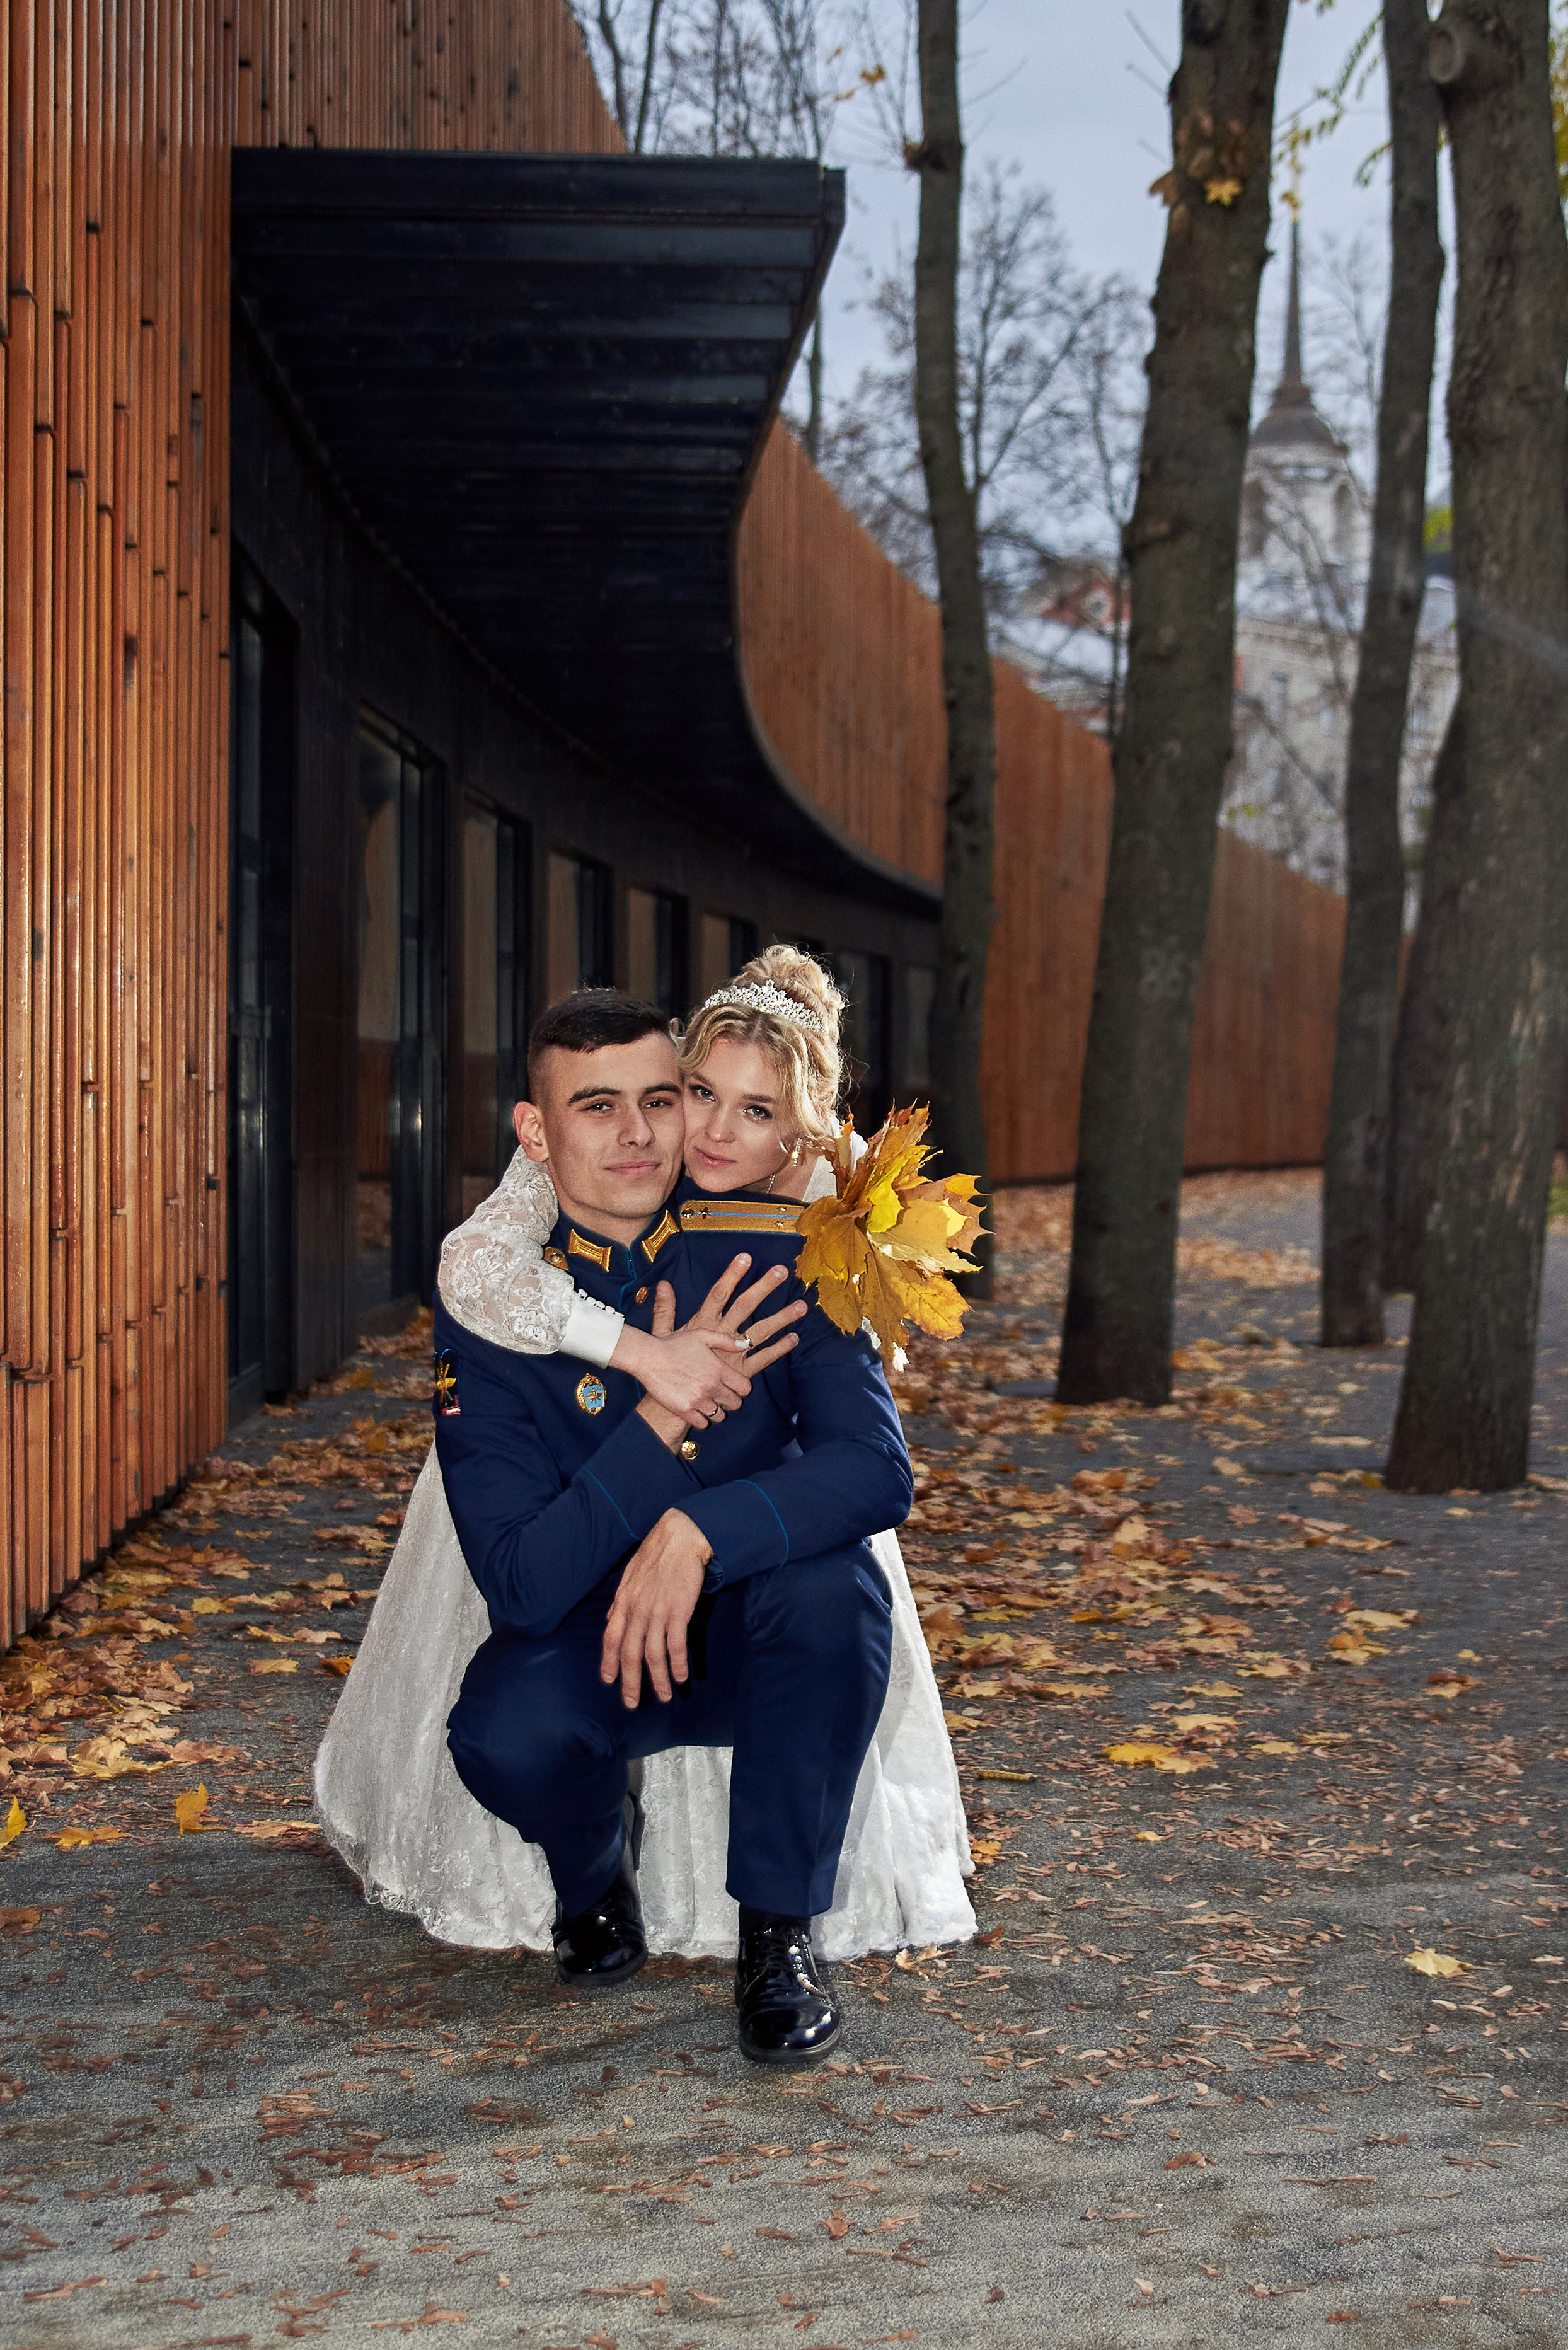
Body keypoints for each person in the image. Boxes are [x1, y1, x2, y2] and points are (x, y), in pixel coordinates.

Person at [315, 963, 974, 2060]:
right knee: (502, 1724)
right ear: (540, 1131)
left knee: (835, 1591)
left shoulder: (797, 1247)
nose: (657, 1134)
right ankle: (591, 1876)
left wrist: (702, 1528)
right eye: (606, 1107)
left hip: (748, 1624)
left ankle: (778, 1934)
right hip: (589, 1629)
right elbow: (521, 1583)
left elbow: (877, 1470)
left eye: (666, 1101)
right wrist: (658, 1423)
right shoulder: (502, 1286)